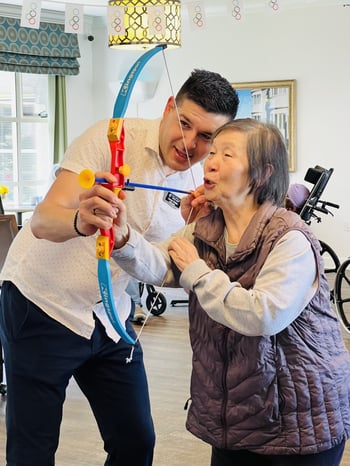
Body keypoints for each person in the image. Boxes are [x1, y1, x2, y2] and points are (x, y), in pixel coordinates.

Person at [0, 69, 239, 466]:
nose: (189, 144)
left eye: (206, 138)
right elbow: (42, 221)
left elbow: (164, 267)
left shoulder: (201, 179)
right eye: (184, 124)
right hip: (41, 303)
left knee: (135, 442)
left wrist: (190, 227)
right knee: (33, 448)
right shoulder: (109, 136)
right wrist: (82, 219)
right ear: (168, 108)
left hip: (108, 315)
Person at [109, 118, 350, 466]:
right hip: (234, 416)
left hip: (299, 423)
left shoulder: (290, 238)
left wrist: (196, 271)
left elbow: (262, 314)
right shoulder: (206, 229)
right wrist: (124, 239)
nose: (210, 161)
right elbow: (161, 265)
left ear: (261, 174)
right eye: (213, 152)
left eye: (227, 154)